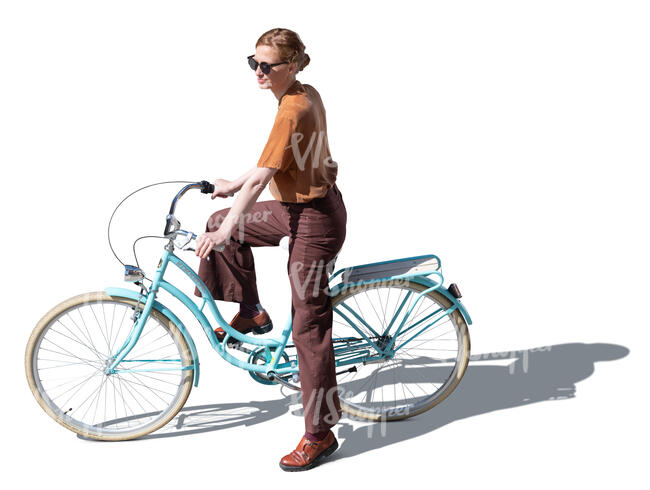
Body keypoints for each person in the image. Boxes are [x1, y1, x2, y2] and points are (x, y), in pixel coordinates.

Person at [193, 27, 346, 471]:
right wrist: (230, 188)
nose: (258, 72)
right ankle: (252, 310)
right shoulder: (300, 93)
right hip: (293, 208)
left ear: (293, 64)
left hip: (315, 223)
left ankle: (319, 433)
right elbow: (268, 166)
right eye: (253, 63)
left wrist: (229, 224)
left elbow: (262, 176)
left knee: (308, 326)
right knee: (221, 221)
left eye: (267, 65)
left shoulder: (293, 108)